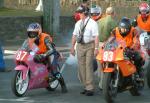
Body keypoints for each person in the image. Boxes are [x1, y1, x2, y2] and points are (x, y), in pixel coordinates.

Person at [21, 23, 67, 93]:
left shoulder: (45, 37)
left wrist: (43, 55)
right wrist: (21, 52)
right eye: (30, 33)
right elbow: (23, 48)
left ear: (39, 32)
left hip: (49, 53)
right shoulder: (28, 40)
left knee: (54, 71)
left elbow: (51, 49)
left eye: (34, 33)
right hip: (37, 54)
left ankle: (63, 85)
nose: (32, 35)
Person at [70, 5, 99, 96]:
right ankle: (86, 86)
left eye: (80, 13)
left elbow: (96, 37)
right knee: (81, 66)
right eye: (78, 13)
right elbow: (74, 35)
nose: (78, 14)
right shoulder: (78, 23)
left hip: (90, 45)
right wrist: (72, 47)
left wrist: (96, 48)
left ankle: (90, 88)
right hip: (80, 46)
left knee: (88, 65)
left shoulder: (93, 23)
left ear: (85, 13)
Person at [97, 6, 117, 89]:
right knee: (109, 64)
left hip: (98, 44)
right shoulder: (113, 22)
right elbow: (115, 35)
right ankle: (104, 84)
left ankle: (100, 82)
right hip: (108, 45)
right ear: (112, 13)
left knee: (100, 64)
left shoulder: (99, 21)